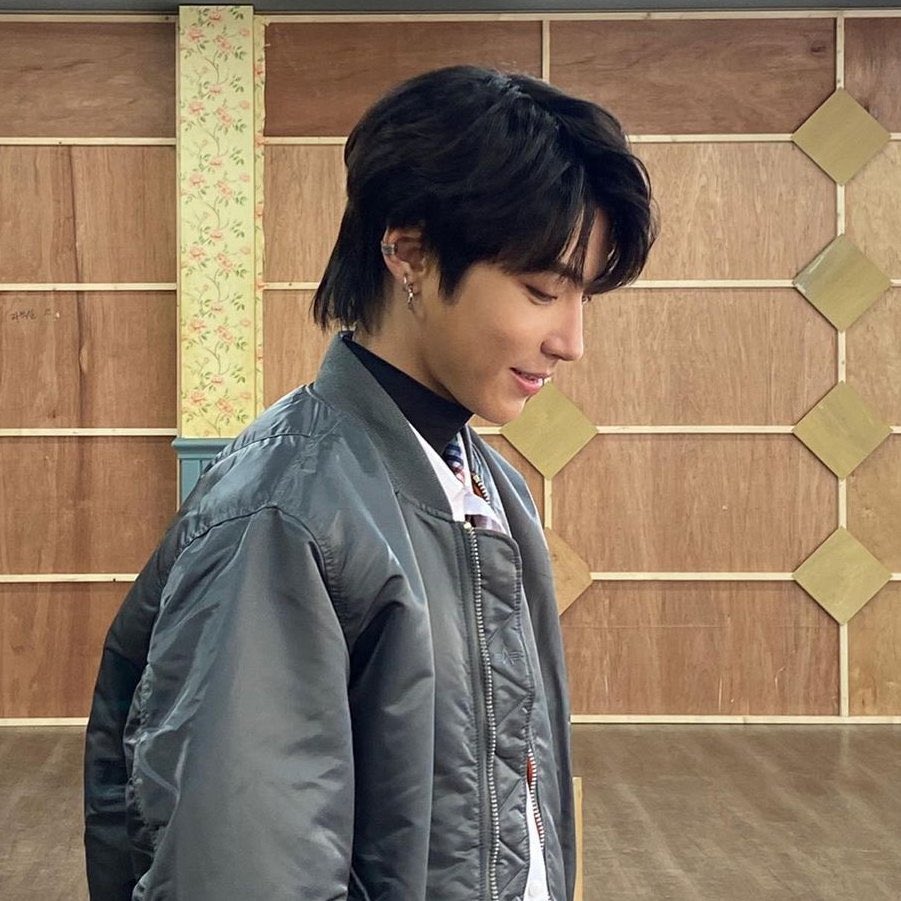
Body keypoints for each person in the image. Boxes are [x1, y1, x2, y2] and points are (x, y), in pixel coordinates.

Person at [84, 65, 655, 900]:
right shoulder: (284, 517)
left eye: (583, 298)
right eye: (541, 291)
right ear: (408, 253)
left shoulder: (494, 487)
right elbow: (245, 868)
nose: (570, 340)